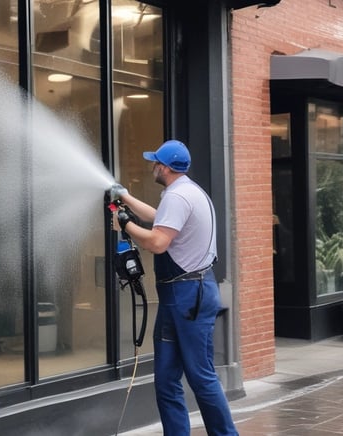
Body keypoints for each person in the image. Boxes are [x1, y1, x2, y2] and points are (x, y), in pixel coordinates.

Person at [110, 140, 238, 436]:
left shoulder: (179, 197)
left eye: (156, 162)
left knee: (201, 376)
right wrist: (125, 197)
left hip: (189, 296)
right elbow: (159, 218)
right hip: (178, 296)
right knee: (166, 379)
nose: (152, 166)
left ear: (165, 168)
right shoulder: (184, 191)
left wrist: (125, 224)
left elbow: (157, 243)